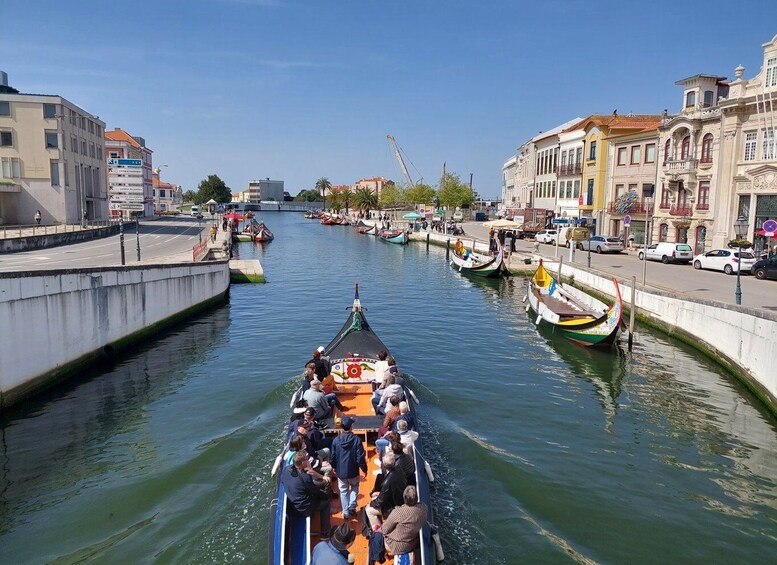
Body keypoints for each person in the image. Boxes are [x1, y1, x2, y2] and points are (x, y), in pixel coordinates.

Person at [280, 451, 332, 537]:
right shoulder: (305, 477)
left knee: (322, 488)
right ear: (303, 463)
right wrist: (325, 496)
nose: (308, 461)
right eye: (307, 460)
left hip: (293, 504)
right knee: (326, 503)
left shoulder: (286, 470)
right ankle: (325, 532)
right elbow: (315, 491)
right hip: (303, 508)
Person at [329, 416, 367, 520]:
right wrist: (364, 469)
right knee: (354, 487)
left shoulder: (336, 440)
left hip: (341, 472)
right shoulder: (357, 440)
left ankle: (345, 512)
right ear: (351, 427)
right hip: (353, 471)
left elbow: (332, 457)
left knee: (343, 491)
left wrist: (333, 467)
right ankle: (352, 506)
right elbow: (360, 458)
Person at [381, 486, 428, 557]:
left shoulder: (398, 512)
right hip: (412, 543)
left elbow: (384, 529)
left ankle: (381, 557)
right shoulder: (424, 508)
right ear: (417, 497)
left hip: (396, 546)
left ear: (404, 498)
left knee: (375, 538)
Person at [365, 452, 407, 530]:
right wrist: (379, 493)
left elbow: (380, 501)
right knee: (375, 495)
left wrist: (370, 504)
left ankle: (379, 531)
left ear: (383, 466)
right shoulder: (399, 469)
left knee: (368, 510)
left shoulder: (387, 482)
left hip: (393, 508)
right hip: (401, 501)